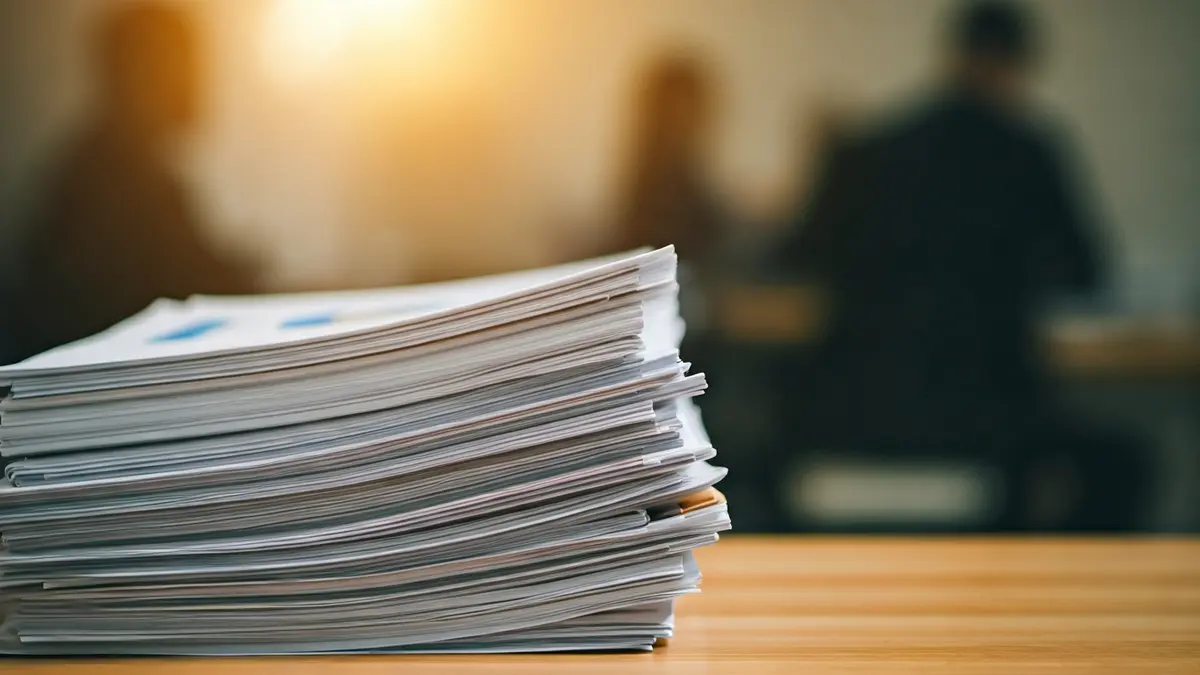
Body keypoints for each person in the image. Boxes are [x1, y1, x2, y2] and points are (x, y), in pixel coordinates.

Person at [784, 0, 1147, 530]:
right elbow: (1086, 272)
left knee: (751, 443)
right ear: (1017, 67)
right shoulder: (1028, 154)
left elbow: (796, 257)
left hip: (857, 411)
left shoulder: (866, 150)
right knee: (1124, 463)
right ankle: (1033, 571)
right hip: (988, 419)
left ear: (953, 56)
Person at [9, 1, 256, 361]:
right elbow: (193, 287)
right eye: (183, 66)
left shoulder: (117, 167)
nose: (199, 85)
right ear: (141, 74)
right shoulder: (116, 183)